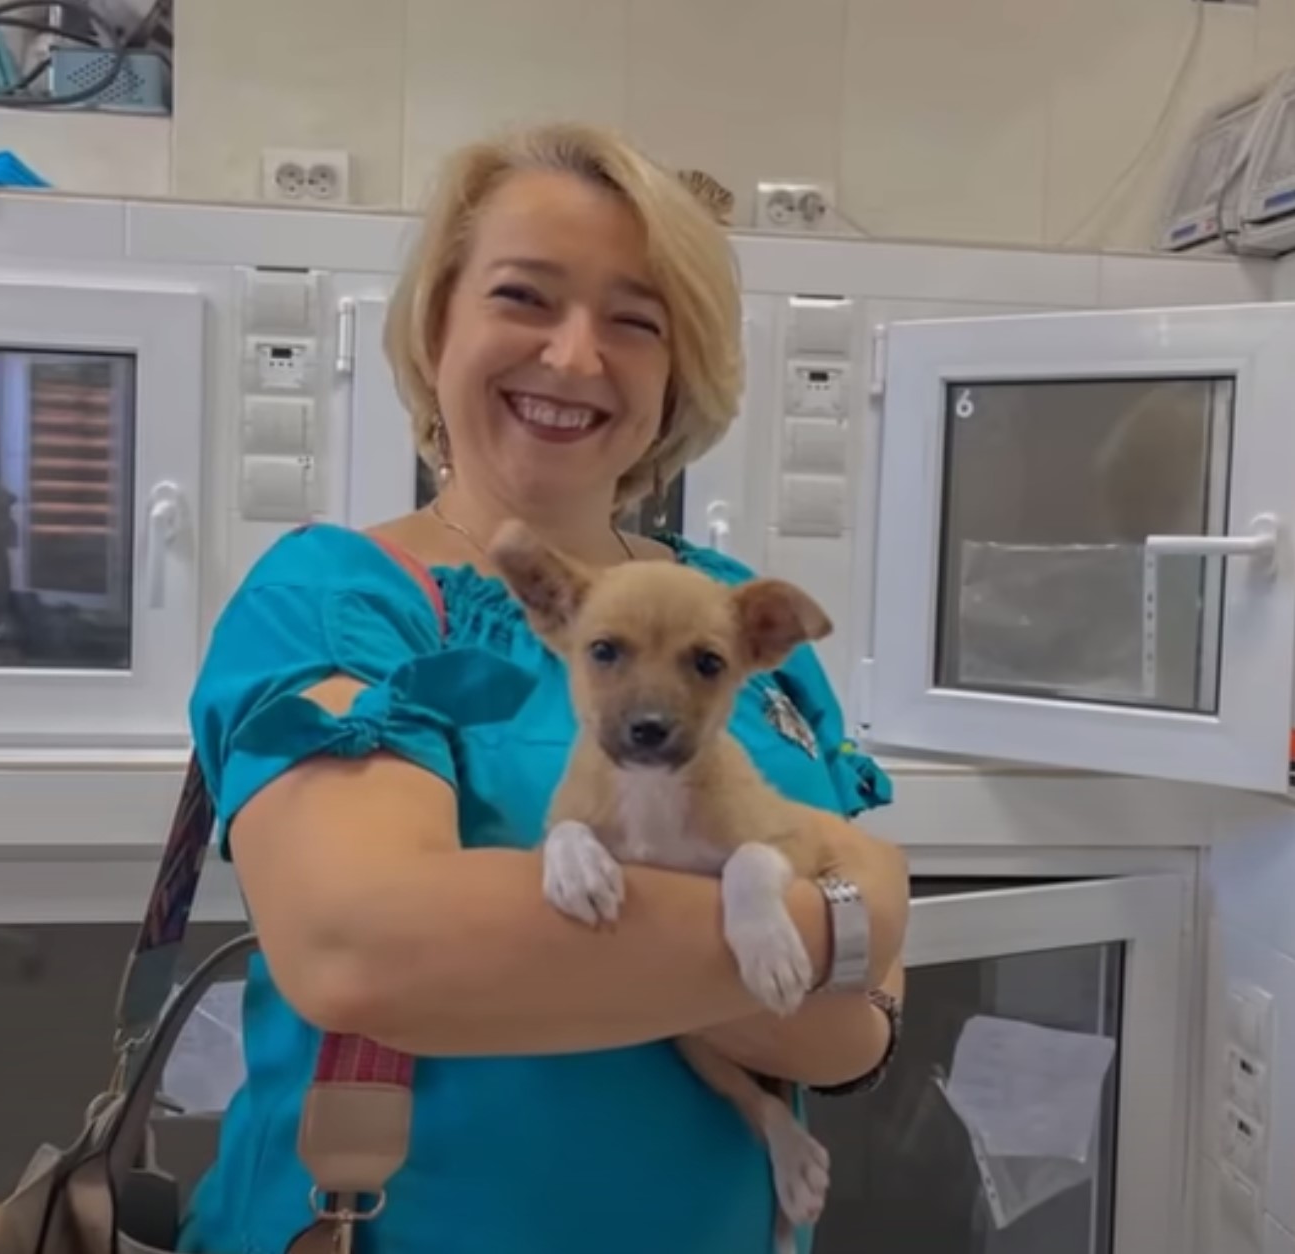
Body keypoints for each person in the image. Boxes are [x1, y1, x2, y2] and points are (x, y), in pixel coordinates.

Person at [182, 122, 910, 1254]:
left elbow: (854, 1041)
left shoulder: (737, 613)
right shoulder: (348, 601)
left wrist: (811, 953)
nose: (575, 358)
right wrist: (831, 919)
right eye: (525, 298)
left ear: (680, 375)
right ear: (438, 326)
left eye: (635, 321)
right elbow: (368, 949)